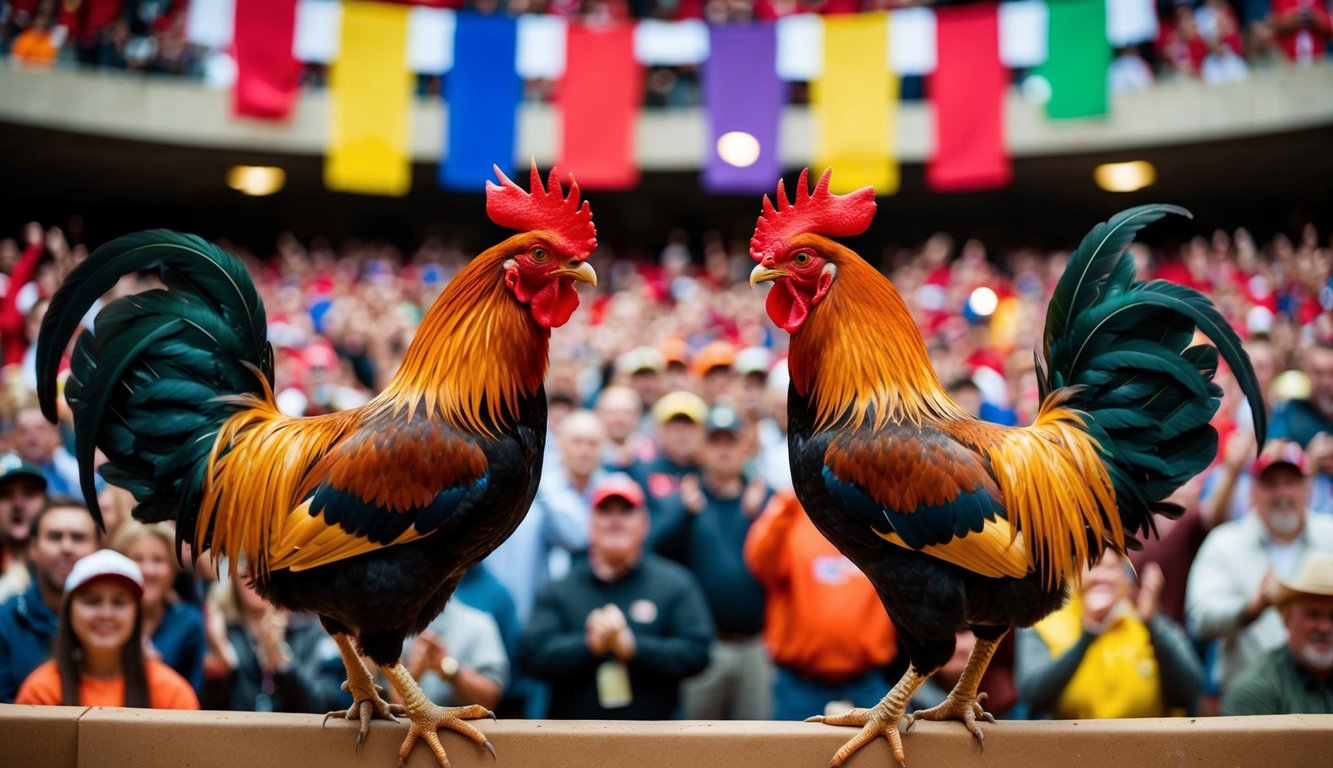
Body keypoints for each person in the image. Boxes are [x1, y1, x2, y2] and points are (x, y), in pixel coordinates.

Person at [520, 473, 713, 720]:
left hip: (657, 741)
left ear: (644, 524)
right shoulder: (558, 589)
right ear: (591, 523)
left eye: (625, 512)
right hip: (574, 743)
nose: (615, 521)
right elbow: (531, 655)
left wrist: (635, 648)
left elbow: (698, 652)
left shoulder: (675, 583)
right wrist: (588, 645)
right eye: (605, 512)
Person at [652, 404, 773, 719]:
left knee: (759, 745)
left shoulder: (763, 499)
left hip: (756, 645)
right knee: (696, 748)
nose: (723, 451)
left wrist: (760, 517)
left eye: (730, 442)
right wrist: (685, 514)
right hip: (704, 646)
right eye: (715, 442)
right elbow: (651, 553)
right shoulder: (686, 500)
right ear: (702, 448)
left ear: (744, 447)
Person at [1187, 441, 1333, 696]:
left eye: (1291, 482)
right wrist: (1250, 609)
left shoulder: (1329, 535)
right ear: (1252, 492)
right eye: (1270, 484)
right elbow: (1199, 617)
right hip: (1250, 705)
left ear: (1307, 489)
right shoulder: (1225, 542)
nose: (1282, 494)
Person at [743, 490, 898, 720]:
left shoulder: (881, 513)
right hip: (800, 684)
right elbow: (759, 564)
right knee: (790, 755)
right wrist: (791, 496)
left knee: (891, 753)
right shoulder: (793, 512)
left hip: (868, 682)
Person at [1016, 552, 1204, 719]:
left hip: (1147, 749)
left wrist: (1153, 624)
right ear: (1075, 577)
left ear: (1127, 582)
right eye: (1091, 566)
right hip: (1072, 749)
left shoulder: (1148, 621)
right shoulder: (1046, 624)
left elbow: (1189, 691)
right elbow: (1033, 695)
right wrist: (1089, 634)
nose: (1101, 577)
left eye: (1111, 568)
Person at [15, 549, 198, 709]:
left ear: (137, 613)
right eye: (92, 601)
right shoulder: (41, 692)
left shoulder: (172, 694)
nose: (105, 614)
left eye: (119, 602)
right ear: (69, 610)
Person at [199, 573, 349, 713]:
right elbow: (205, 721)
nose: (255, 572)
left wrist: (282, 664)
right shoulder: (218, 631)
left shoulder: (313, 631)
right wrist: (219, 670)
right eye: (244, 561)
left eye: (265, 560)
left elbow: (330, 709)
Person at [0, 497, 99, 702]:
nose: (66, 547)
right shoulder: (5, 622)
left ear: (98, 547)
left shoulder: (119, 622)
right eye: (55, 537)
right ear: (33, 548)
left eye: (78, 537)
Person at [1221, 553, 1333, 714]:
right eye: (1313, 614)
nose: (1324, 628)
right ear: (1288, 620)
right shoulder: (1255, 690)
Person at [112, 520, 206, 691]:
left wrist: (155, 672)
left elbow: (193, 696)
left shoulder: (189, 622)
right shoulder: (103, 617)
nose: (148, 570)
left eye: (158, 560)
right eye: (137, 559)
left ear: (174, 569)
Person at [403, 598, 508, 711]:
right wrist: (414, 673)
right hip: (404, 726)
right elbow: (393, 704)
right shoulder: (393, 624)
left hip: (466, 726)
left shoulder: (480, 625)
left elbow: (490, 700)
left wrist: (448, 668)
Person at [0, 450, 49, 602]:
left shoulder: (64, 558)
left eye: (29, 493)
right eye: (6, 494)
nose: (18, 504)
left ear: (46, 502)